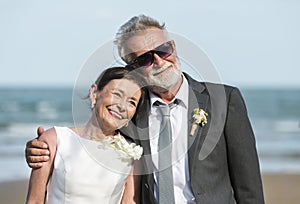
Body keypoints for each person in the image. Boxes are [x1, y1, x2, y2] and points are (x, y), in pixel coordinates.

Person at [25, 15, 265, 203]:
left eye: (163, 50)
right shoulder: (128, 115)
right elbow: (91, 143)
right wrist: (39, 149)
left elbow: (248, 185)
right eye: (145, 58)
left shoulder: (224, 99)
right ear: (133, 68)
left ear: (173, 47)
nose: (159, 61)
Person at [26, 67, 145, 204]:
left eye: (131, 102)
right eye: (117, 94)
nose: (122, 106)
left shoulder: (132, 155)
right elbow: (34, 201)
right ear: (94, 93)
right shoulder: (55, 139)